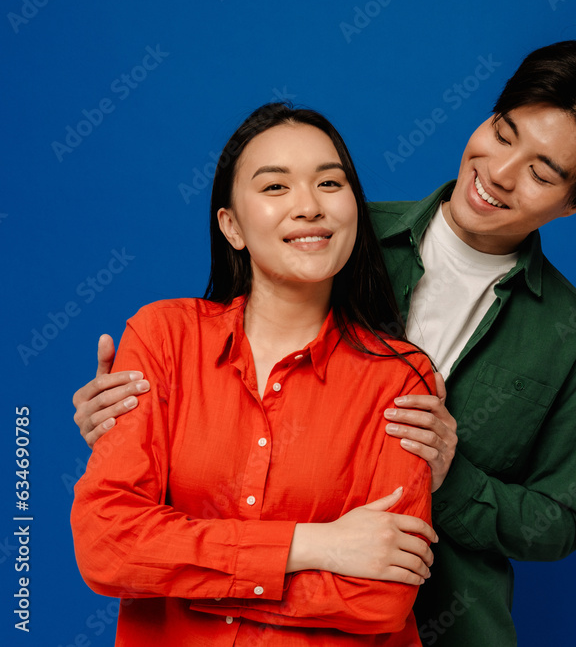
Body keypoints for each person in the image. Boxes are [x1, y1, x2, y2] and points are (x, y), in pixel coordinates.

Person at [73, 40, 576, 645]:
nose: (500, 172)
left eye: (542, 173)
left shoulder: (573, 335)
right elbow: (220, 363)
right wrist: (138, 417)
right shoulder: (329, 227)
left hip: (455, 624)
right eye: (503, 133)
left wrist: (448, 475)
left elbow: (558, 521)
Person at [71, 102, 440, 645]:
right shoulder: (163, 338)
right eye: (275, 188)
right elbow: (107, 546)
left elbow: (379, 598)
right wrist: (312, 546)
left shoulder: (400, 378)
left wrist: (181, 578)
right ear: (232, 226)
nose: (309, 206)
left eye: (329, 183)